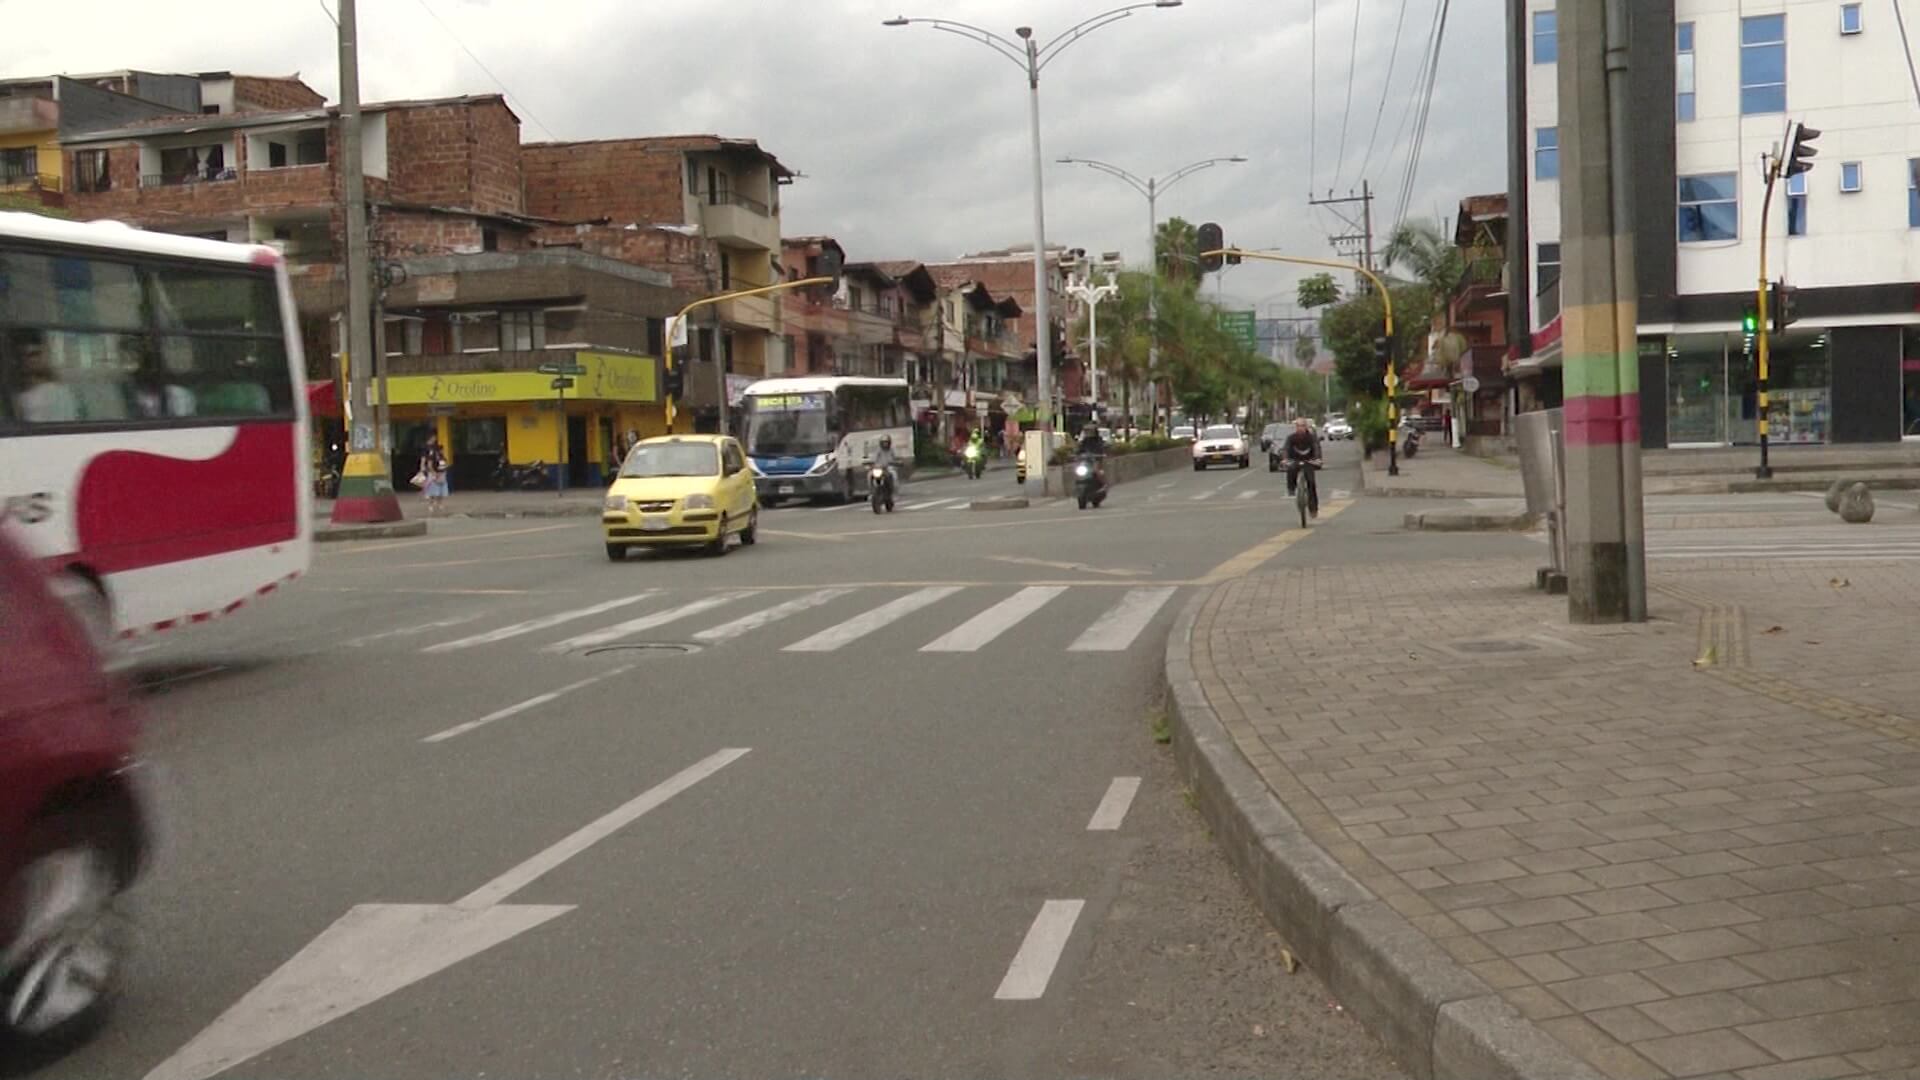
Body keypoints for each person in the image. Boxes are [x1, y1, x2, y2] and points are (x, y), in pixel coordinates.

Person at [1281, 417, 1322, 517]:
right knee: (1291, 470)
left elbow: (1316, 448)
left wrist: (1317, 459)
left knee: (1311, 483)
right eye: (1298, 426)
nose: (1300, 428)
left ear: (1306, 427)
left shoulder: (1311, 438)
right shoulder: (1291, 438)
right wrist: (1285, 459)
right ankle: (1291, 488)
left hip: (1309, 461)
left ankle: (1313, 509)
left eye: (1302, 426)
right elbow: (1286, 449)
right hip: (1295, 460)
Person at [419, 435, 450, 515]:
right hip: (434, 474)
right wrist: (434, 473)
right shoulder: (431, 455)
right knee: (432, 491)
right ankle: (431, 505)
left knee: (441, 491)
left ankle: (440, 504)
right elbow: (429, 464)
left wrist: (444, 470)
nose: (442, 451)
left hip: (442, 474)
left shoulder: (442, 457)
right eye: (441, 450)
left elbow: (445, 464)